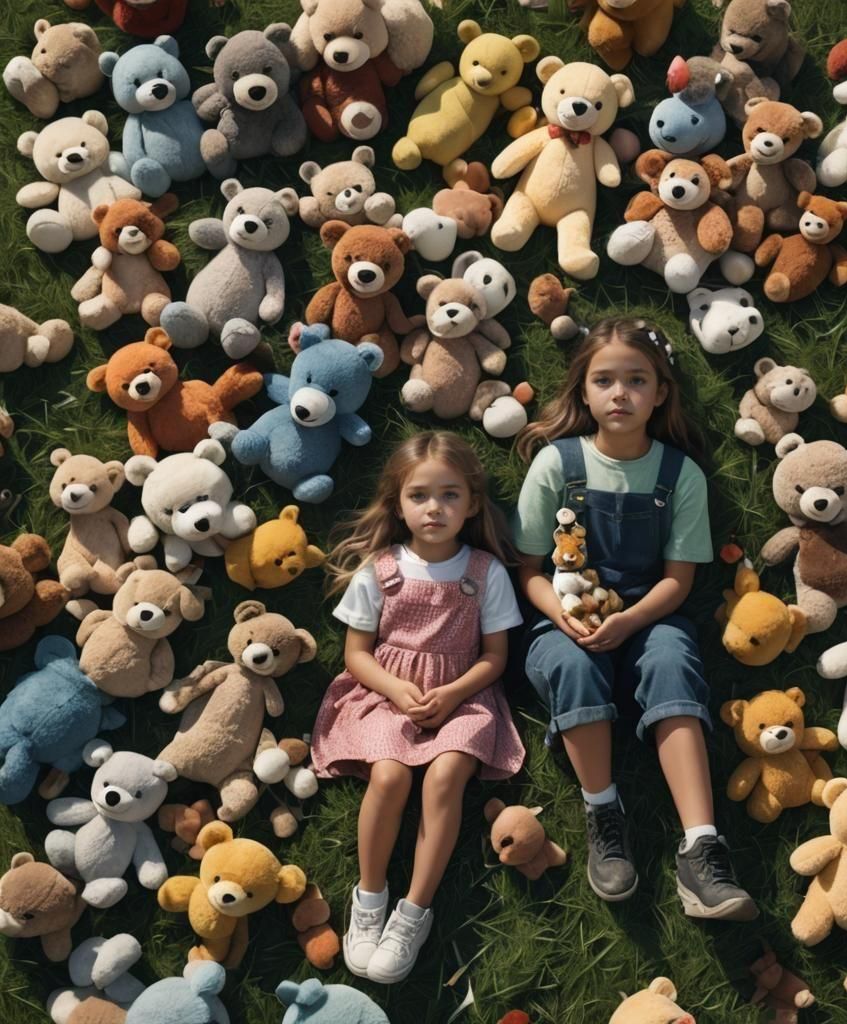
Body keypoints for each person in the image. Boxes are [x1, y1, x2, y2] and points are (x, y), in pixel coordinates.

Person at [513, 317, 757, 920]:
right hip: (565, 619)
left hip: (651, 615)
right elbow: (526, 569)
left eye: (636, 380)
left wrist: (629, 622)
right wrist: (564, 614)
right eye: (605, 380)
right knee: (569, 664)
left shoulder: (680, 476)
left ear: (661, 393)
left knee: (674, 660)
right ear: (584, 392)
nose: (620, 393)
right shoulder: (555, 465)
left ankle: (702, 848)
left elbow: (679, 580)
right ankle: (604, 810)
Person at [311, 431, 525, 984]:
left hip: (464, 697)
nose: (436, 508)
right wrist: (395, 689)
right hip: (387, 696)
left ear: (473, 504)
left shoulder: (484, 573)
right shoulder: (380, 569)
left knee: (445, 776)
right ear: (398, 504)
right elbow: (356, 654)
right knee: (389, 779)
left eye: (451, 495)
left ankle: (414, 910)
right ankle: (371, 895)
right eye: (421, 495)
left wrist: (453, 693)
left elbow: (495, 657)